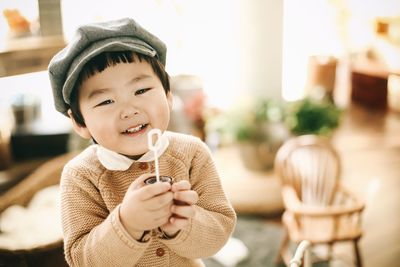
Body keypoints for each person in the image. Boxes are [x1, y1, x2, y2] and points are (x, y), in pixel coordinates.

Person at [48, 18, 236, 267]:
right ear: (80, 123)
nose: (128, 110)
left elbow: (218, 236)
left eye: (141, 91)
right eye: (106, 102)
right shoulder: (80, 176)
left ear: (169, 96)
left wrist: (183, 223)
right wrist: (128, 223)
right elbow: (82, 260)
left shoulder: (193, 153)